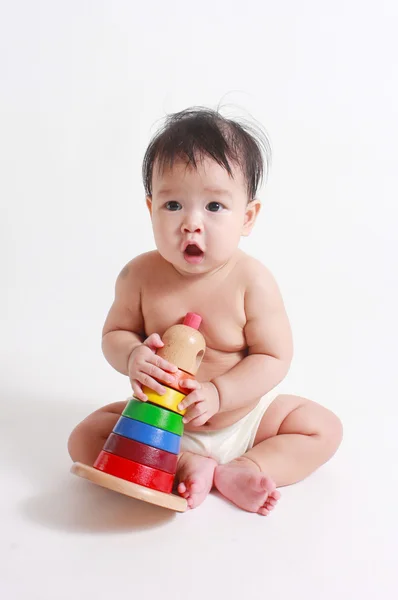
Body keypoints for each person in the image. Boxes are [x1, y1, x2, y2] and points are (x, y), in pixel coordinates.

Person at [68, 107, 343, 515]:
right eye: (173, 204)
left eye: (214, 207)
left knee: (323, 428)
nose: (191, 223)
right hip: (161, 426)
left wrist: (220, 393)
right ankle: (185, 463)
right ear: (150, 209)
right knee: (84, 437)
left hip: (244, 419)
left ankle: (244, 467)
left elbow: (274, 357)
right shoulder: (138, 276)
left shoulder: (253, 281)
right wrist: (132, 355)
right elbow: (115, 334)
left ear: (247, 217)